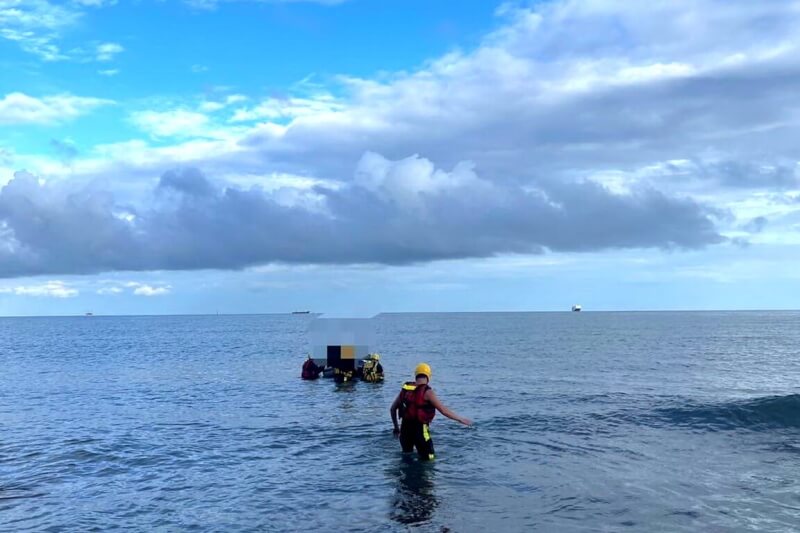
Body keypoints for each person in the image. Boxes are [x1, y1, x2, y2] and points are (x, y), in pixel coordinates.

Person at [389, 363, 472, 460]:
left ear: (416, 375)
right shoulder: (428, 392)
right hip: (420, 431)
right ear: (428, 376)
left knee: (407, 458)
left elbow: (392, 409)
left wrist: (396, 428)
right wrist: (460, 419)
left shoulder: (406, 390)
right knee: (429, 459)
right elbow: (443, 410)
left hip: (405, 431)